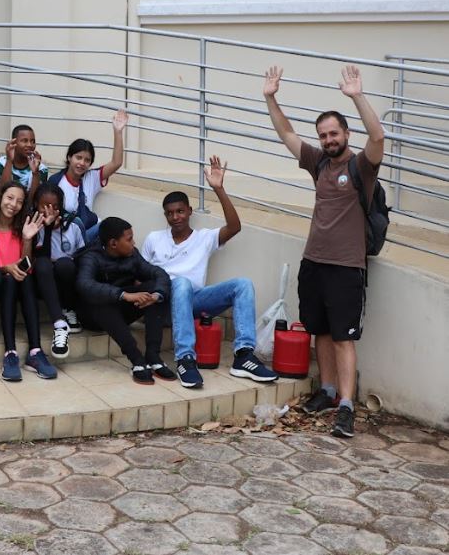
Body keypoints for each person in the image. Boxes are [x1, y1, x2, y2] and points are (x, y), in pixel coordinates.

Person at [263, 64, 384, 439]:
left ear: (346, 134)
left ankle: (346, 406)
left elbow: (378, 136)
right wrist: (270, 97)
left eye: (334, 133)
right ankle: (328, 391)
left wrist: (357, 96)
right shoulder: (319, 163)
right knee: (322, 331)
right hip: (313, 262)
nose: (329, 139)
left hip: (346, 266)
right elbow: (286, 133)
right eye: (323, 135)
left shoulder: (361, 166)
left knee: (344, 337)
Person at [142, 157, 278, 390]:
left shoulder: (204, 238)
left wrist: (219, 189)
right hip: (163, 304)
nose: (175, 217)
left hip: (194, 301)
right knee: (181, 283)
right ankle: (185, 359)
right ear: (165, 216)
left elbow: (234, 227)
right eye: (170, 213)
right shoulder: (154, 239)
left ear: (189, 211)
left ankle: (244, 355)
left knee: (243, 284)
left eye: (180, 211)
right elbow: (141, 274)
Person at [76, 216, 174, 385]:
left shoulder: (132, 254)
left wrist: (157, 295)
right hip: (93, 316)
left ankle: (153, 356)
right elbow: (85, 285)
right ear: (113, 243)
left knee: (156, 290)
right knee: (103, 302)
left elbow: (158, 273)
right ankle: (136, 360)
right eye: (129, 239)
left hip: (120, 310)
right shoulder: (91, 257)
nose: (133, 243)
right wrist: (124, 295)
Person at [0, 182, 58, 382]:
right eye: (10, 198)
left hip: (19, 282)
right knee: (10, 280)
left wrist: (27, 239)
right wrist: (6, 268)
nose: (13, 204)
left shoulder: (22, 228)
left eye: (19, 201)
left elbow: (25, 265)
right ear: (0, 198)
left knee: (25, 279)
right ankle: (10, 352)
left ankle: (35, 351)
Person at [46, 109, 128, 240]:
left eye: (87, 160)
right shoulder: (56, 181)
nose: (82, 163)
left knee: (113, 227)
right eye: (78, 157)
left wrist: (118, 131)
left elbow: (116, 163)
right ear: (69, 157)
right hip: (67, 236)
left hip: (89, 232)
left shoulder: (91, 178)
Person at [30, 183, 84, 359]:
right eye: (44, 206)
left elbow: (82, 256)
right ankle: (59, 323)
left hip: (65, 280)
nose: (49, 211)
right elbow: (41, 258)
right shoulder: (32, 225)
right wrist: (46, 228)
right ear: (35, 205)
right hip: (41, 281)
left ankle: (69, 309)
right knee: (43, 264)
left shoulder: (74, 225)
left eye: (54, 206)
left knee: (64, 264)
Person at [0, 125, 47, 195]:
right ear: (13, 143)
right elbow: (1, 194)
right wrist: (9, 161)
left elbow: (35, 199)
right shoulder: (0, 164)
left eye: (33, 141)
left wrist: (35, 173)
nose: (30, 145)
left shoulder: (41, 168)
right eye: (24, 141)